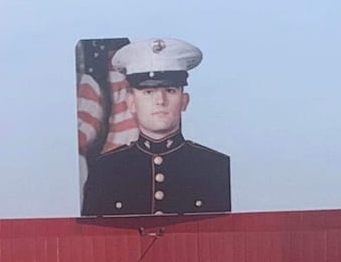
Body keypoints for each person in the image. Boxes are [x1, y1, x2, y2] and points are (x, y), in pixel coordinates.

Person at [81, 37, 231, 216]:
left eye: (170, 90)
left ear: (184, 101)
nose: (160, 101)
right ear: (131, 103)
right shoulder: (105, 170)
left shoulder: (214, 167)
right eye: (148, 92)